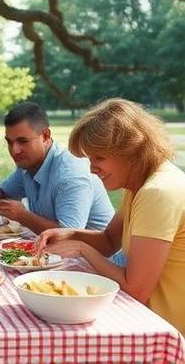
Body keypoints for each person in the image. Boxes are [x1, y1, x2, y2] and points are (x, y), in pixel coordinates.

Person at [35, 98, 185, 334]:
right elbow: (108, 241)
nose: (91, 168)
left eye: (99, 157)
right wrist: (71, 234)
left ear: (132, 151)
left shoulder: (158, 192)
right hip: (144, 318)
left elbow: (136, 289)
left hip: (166, 332)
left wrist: (81, 249)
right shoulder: (141, 185)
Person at [0, 102, 114, 234]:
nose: (14, 151)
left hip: (96, 259)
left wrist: (23, 215)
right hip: (58, 255)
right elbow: (3, 191)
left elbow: (70, 234)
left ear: (45, 136)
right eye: (9, 142)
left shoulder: (71, 175)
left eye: (22, 141)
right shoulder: (28, 165)